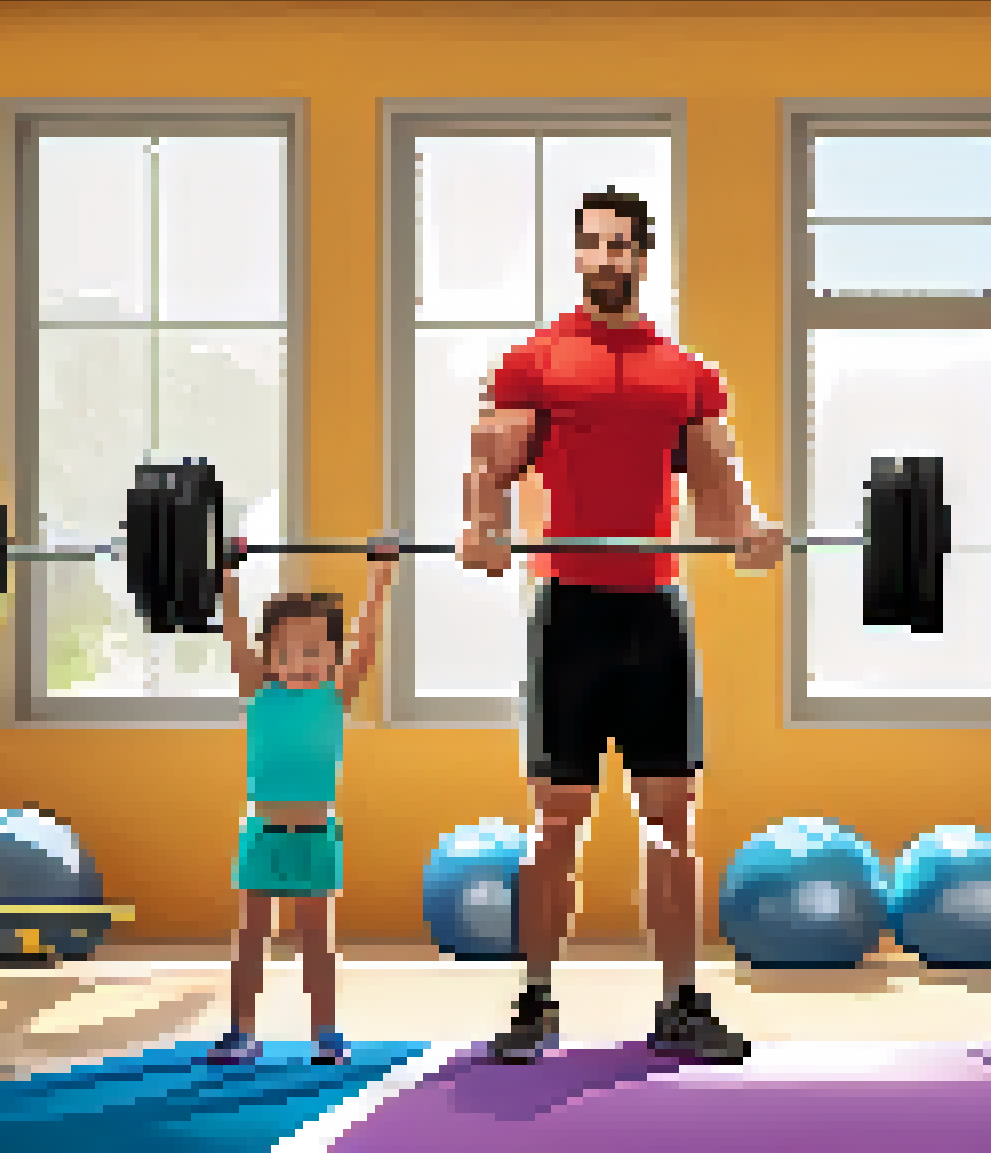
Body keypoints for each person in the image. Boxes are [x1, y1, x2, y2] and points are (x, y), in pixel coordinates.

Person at [460, 187, 784, 1065]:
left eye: (619, 247)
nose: (604, 260)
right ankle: (534, 1000)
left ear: (645, 258)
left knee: (672, 822)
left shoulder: (686, 375)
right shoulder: (535, 363)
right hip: (570, 609)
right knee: (555, 822)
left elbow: (719, 500)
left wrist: (751, 537)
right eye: (590, 246)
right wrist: (483, 530)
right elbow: (491, 469)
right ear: (577, 257)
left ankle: (681, 1002)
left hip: (654, 613)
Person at [204, 540, 398, 1066]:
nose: (303, 661)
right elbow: (234, 631)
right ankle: (241, 1032)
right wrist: (227, 572)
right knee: (250, 937)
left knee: (317, 940)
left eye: (316, 650)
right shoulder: (257, 688)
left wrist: (380, 575)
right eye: (289, 651)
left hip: (316, 836)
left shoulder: (336, 694)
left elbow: (368, 636)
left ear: (333, 656)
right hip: (262, 836)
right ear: (270, 657)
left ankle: (326, 1033)